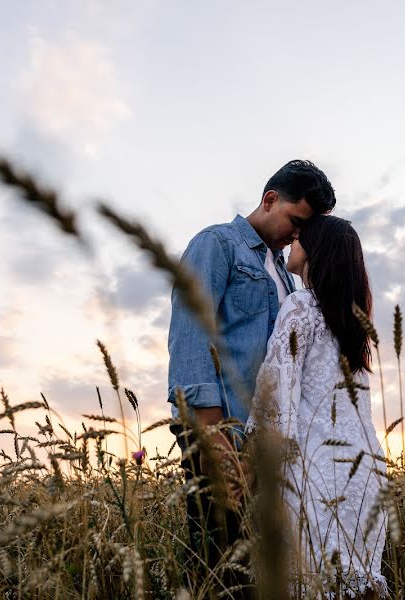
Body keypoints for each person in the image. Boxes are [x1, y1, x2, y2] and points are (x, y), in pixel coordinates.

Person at [166, 160, 336, 588]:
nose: (298, 235)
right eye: (296, 221)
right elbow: (190, 335)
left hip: (262, 445)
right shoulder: (216, 245)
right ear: (269, 199)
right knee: (218, 570)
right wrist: (211, 435)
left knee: (257, 574)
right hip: (220, 430)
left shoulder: (286, 275)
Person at [246, 215, 388, 599]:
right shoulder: (354, 323)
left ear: (315, 251)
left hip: (315, 472)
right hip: (365, 473)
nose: (293, 242)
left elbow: (276, 396)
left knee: (310, 582)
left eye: (300, 238)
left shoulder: (300, 306)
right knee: (357, 585)